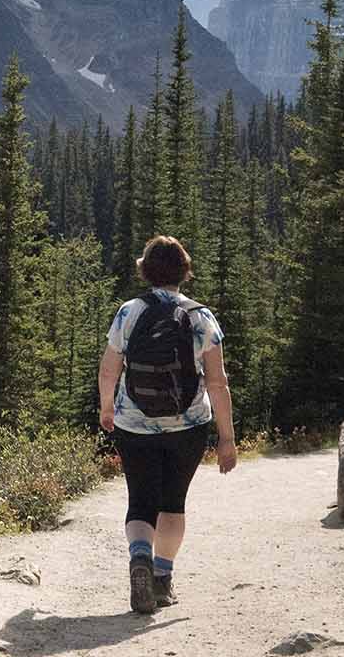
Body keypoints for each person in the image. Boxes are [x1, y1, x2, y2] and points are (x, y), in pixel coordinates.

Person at [96, 234, 238, 614]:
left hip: (134, 422)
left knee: (141, 500)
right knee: (173, 503)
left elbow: (110, 369)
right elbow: (217, 382)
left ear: (145, 272)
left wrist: (107, 408)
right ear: (184, 272)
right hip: (188, 425)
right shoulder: (200, 317)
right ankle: (162, 579)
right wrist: (227, 438)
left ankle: (139, 558)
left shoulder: (129, 312)